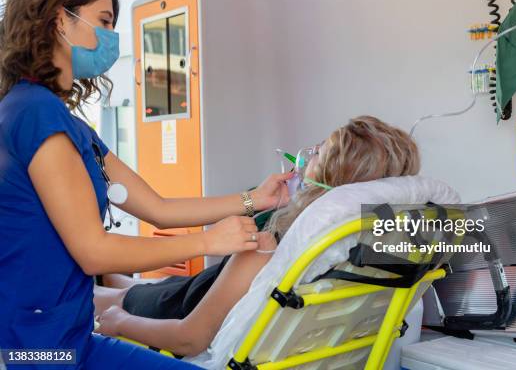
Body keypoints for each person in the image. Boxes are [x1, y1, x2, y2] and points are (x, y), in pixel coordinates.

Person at [0, 0, 291, 369]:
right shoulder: (34, 115)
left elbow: (159, 207)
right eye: (103, 21)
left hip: (74, 336)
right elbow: (94, 252)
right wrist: (208, 242)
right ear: (60, 20)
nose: (110, 37)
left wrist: (252, 199)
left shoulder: (67, 125)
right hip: (37, 348)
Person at [93, 115, 420, 361]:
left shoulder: (266, 247)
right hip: (202, 291)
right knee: (146, 286)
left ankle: (111, 283)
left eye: (319, 153)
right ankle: (116, 280)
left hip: (180, 308)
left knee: (114, 296)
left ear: (335, 174)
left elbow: (189, 338)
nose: (306, 156)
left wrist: (120, 323)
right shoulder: (354, 246)